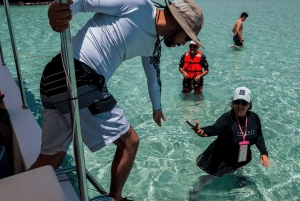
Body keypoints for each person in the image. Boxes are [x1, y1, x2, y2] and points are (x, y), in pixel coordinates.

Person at [29, 0, 205, 201]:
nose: (184, 43)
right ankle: (116, 198)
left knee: (51, 159)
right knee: (130, 142)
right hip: (79, 78)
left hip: (53, 78)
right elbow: (85, 2)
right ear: (178, 24)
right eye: (187, 36)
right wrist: (61, 12)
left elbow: (153, 79)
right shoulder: (141, 5)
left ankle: (16, 192)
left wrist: (157, 108)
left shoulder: (154, 46)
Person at [190, 87, 269, 190]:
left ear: (249, 105)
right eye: (237, 102)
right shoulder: (227, 118)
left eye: (244, 103)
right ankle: (196, 189)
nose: (240, 105)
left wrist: (263, 152)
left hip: (242, 154)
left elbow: (258, 135)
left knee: (239, 166)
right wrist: (203, 131)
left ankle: (239, 177)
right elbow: (215, 128)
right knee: (213, 175)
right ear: (233, 103)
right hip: (222, 156)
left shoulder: (254, 118)